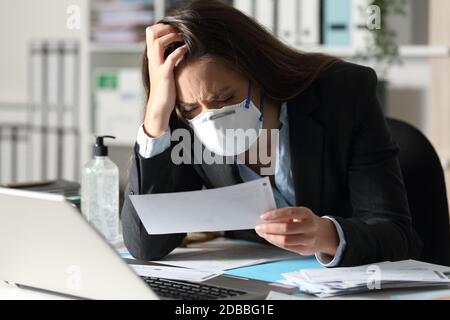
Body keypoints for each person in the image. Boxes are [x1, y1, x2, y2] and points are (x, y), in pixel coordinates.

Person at [121, 0, 422, 267]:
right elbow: (145, 244)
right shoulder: (184, 121)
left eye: (224, 98)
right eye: (191, 109)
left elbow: (397, 235)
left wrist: (326, 235)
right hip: (262, 285)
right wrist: (155, 119)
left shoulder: (343, 94)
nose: (208, 119)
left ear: (257, 72)